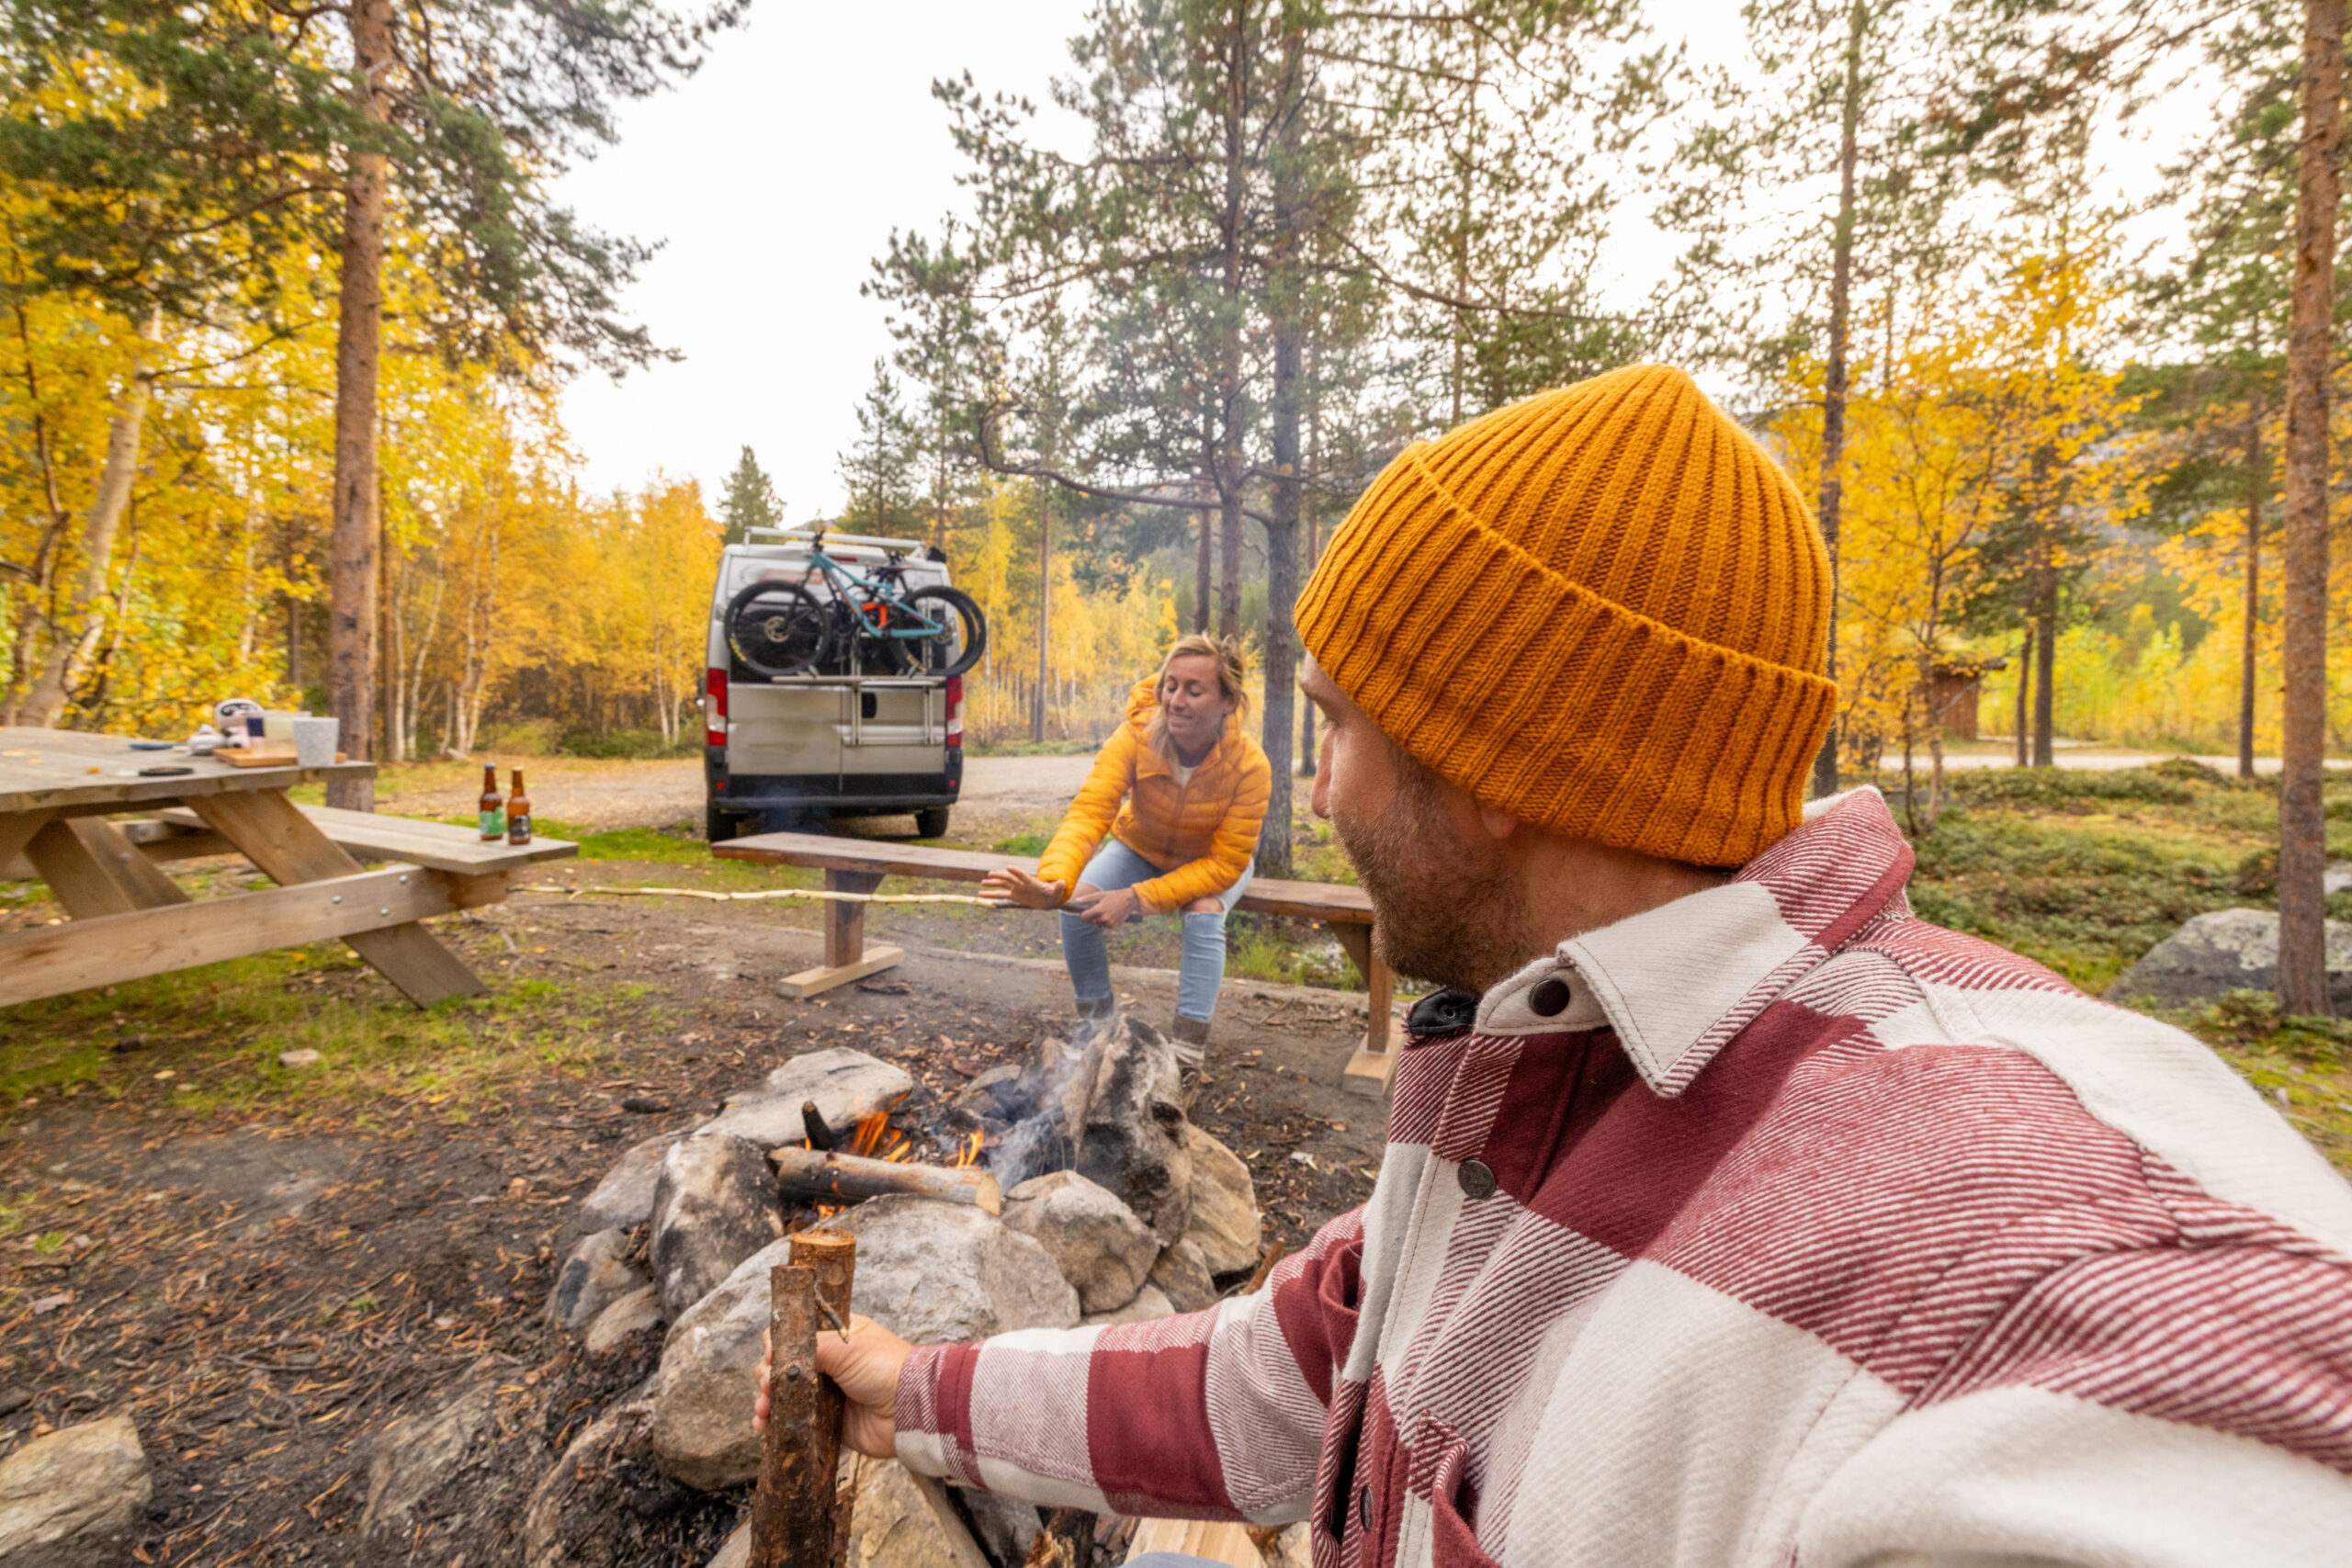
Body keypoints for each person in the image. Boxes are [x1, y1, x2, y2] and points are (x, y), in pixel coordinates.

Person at [760, 366, 2352, 1564]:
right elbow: (1294, 1368)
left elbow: (2209, 1413)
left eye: (1343, 724)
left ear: (1502, 754)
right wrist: (925, 1392)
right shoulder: (1545, 1056)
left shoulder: (2033, 1241)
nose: (1318, 784)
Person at [979, 633, 1270, 1047]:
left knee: (1204, 912)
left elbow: (1224, 864)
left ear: (1228, 702)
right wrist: (1053, 882)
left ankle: (1187, 1051)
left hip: (1211, 861)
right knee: (1075, 901)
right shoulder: (1135, 736)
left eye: (1194, 690)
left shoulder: (1250, 765)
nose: (1176, 700)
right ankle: (1096, 1033)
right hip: (1141, 846)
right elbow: (1090, 811)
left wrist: (1134, 898)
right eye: (1170, 685)